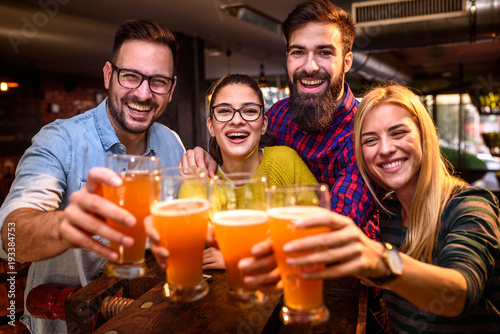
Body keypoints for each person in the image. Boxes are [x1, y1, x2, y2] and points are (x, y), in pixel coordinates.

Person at [0, 19, 185, 333]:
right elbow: (10, 239)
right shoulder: (61, 140)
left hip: (147, 319)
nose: (144, 93)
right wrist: (67, 225)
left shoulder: (172, 143)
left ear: (172, 87)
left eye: (158, 81)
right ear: (108, 75)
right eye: (131, 76)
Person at [274, 84, 500, 333]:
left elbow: (459, 294)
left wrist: (382, 262)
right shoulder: (389, 212)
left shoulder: (470, 204)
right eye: (370, 140)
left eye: (398, 133)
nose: (385, 149)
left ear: (424, 137)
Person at [181, 0, 378, 239]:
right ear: (287, 58)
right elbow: (238, 146)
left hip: (349, 269)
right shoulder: (278, 115)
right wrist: (206, 155)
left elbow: (333, 230)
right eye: (298, 52)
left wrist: (240, 247)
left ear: (347, 62)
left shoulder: (366, 134)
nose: (310, 66)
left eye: (324, 52)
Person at [149, 73, 318, 270]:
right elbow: (188, 240)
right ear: (211, 126)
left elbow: (320, 234)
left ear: (263, 124)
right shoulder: (200, 179)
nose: (237, 120)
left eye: (249, 110)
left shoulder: (285, 161)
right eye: (224, 111)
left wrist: (236, 257)